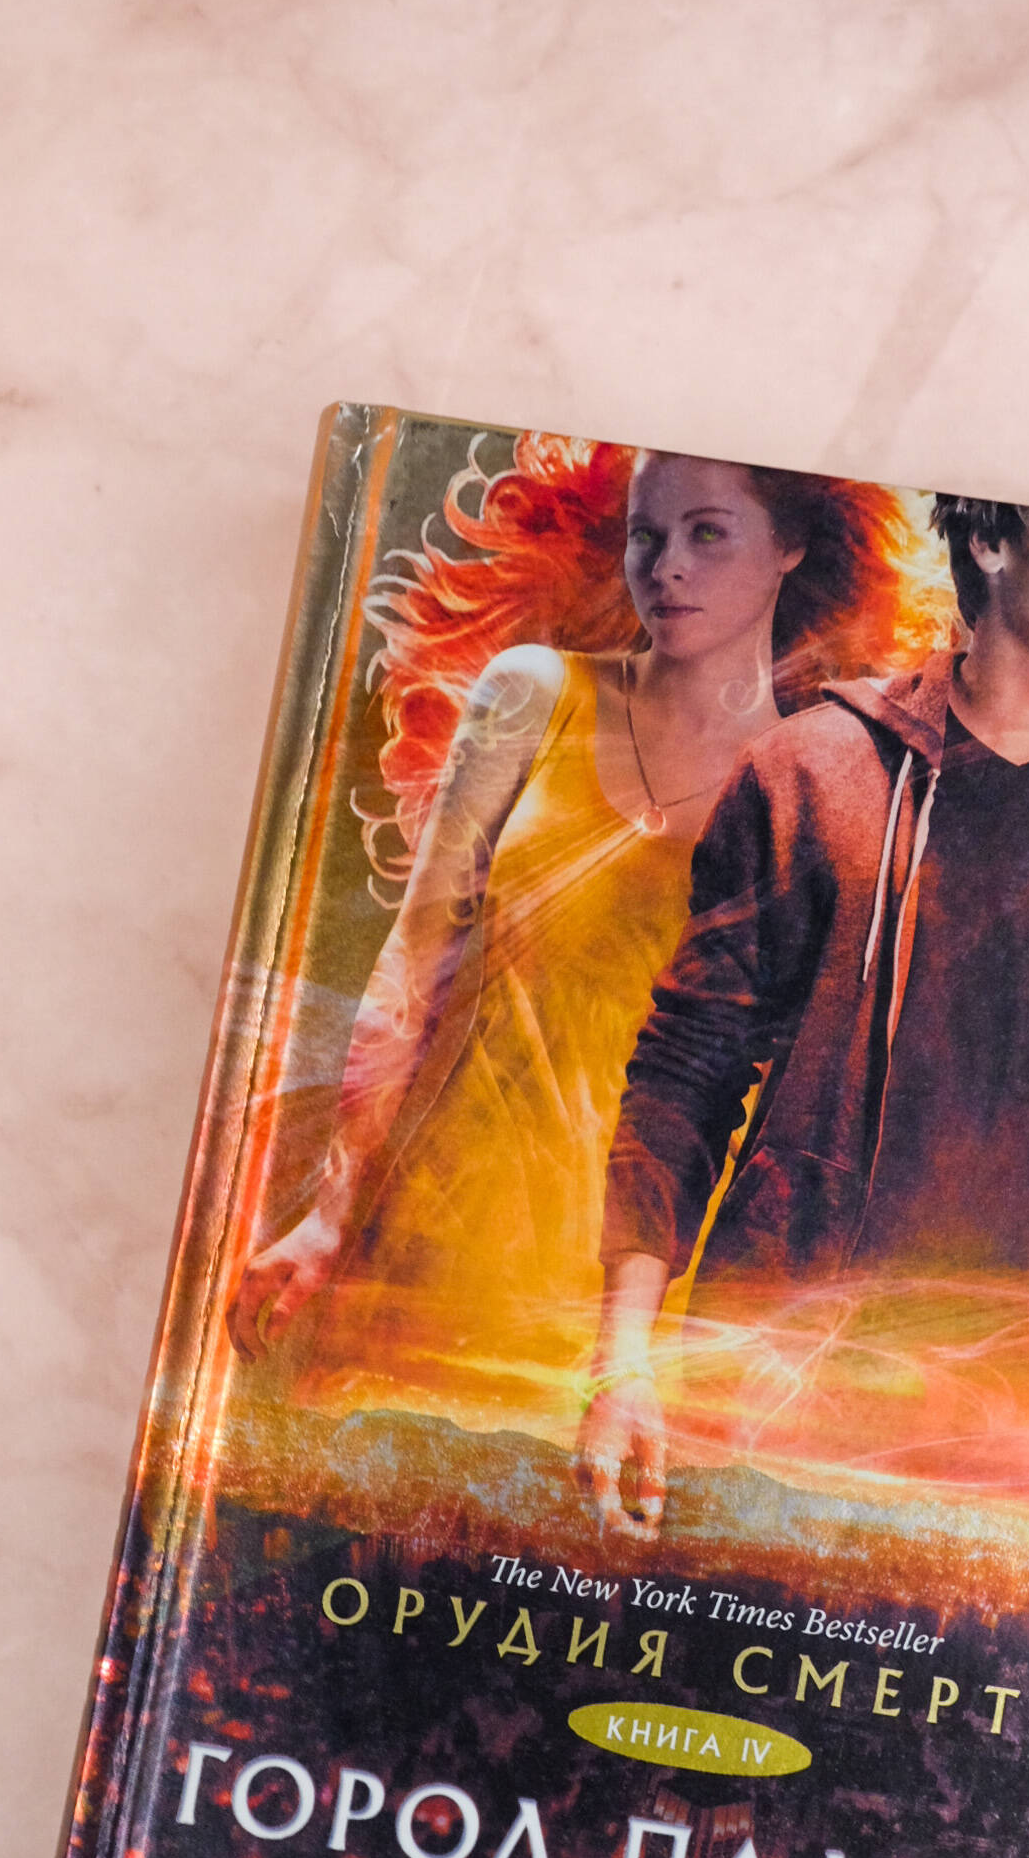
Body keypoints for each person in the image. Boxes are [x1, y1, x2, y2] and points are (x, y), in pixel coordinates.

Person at [576, 498, 1029, 1634]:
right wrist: (619, 1359)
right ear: (990, 539)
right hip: (778, 1416)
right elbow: (687, 1069)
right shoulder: (813, 772)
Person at [227, 440, 934, 1430]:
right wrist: (330, 1213)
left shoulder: (821, 775)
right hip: (439, 1240)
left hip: (641, 1295)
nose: (667, 567)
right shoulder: (532, 693)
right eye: (647, 536)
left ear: (791, 548)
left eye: (707, 534)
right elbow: (412, 962)